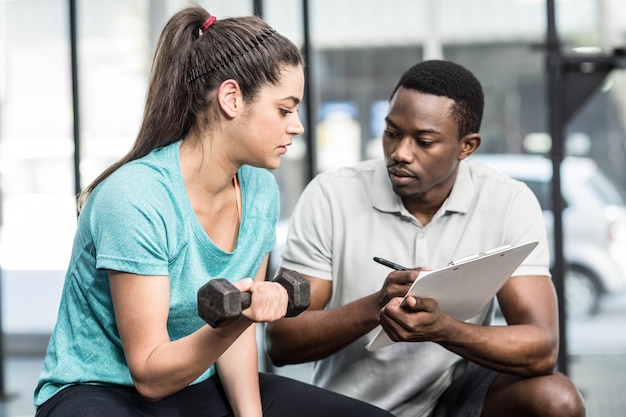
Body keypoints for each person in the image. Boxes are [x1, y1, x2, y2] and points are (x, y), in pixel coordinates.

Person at [33, 6, 394, 417]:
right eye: (284, 109)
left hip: (194, 384)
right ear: (231, 98)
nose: (297, 125)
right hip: (100, 392)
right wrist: (244, 314)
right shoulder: (136, 197)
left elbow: (235, 337)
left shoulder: (259, 190)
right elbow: (150, 375)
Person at [266, 60, 586, 417]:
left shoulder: (508, 201)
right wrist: (376, 306)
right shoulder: (331, 195)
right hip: (352, 405)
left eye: (424, 141)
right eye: (391, 132)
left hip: (453, 400)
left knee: (557, 400)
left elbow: (542, 348)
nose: (401, 152)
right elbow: (282, 341)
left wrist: (444, 329)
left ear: (467, 146)